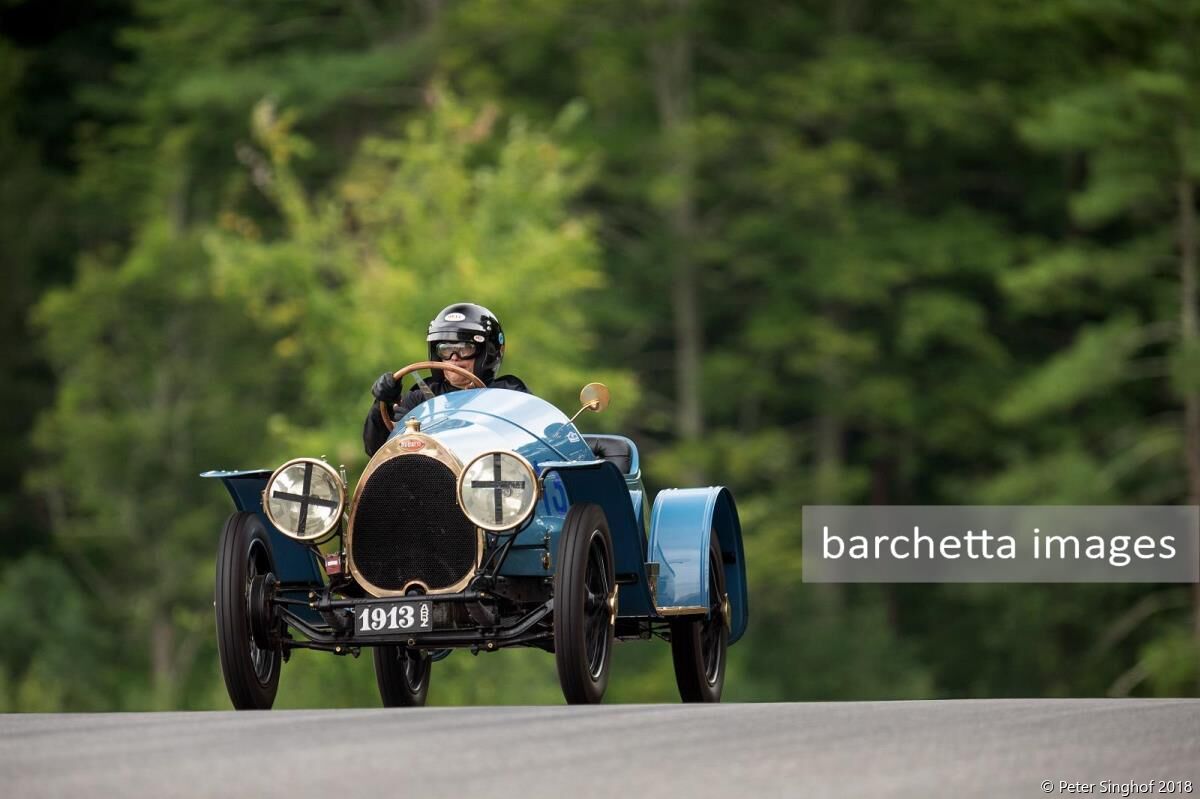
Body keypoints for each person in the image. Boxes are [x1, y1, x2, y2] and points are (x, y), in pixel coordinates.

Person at [362, 302, 529, 456]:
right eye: (446, 350)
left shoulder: (508, 394)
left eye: (464, 349)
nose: (454, 358)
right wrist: (383, 404)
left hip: (484, 480)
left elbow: (528, 443)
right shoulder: (420, 397)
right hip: (431, 482)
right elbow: (375, 450)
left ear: (488, 353)